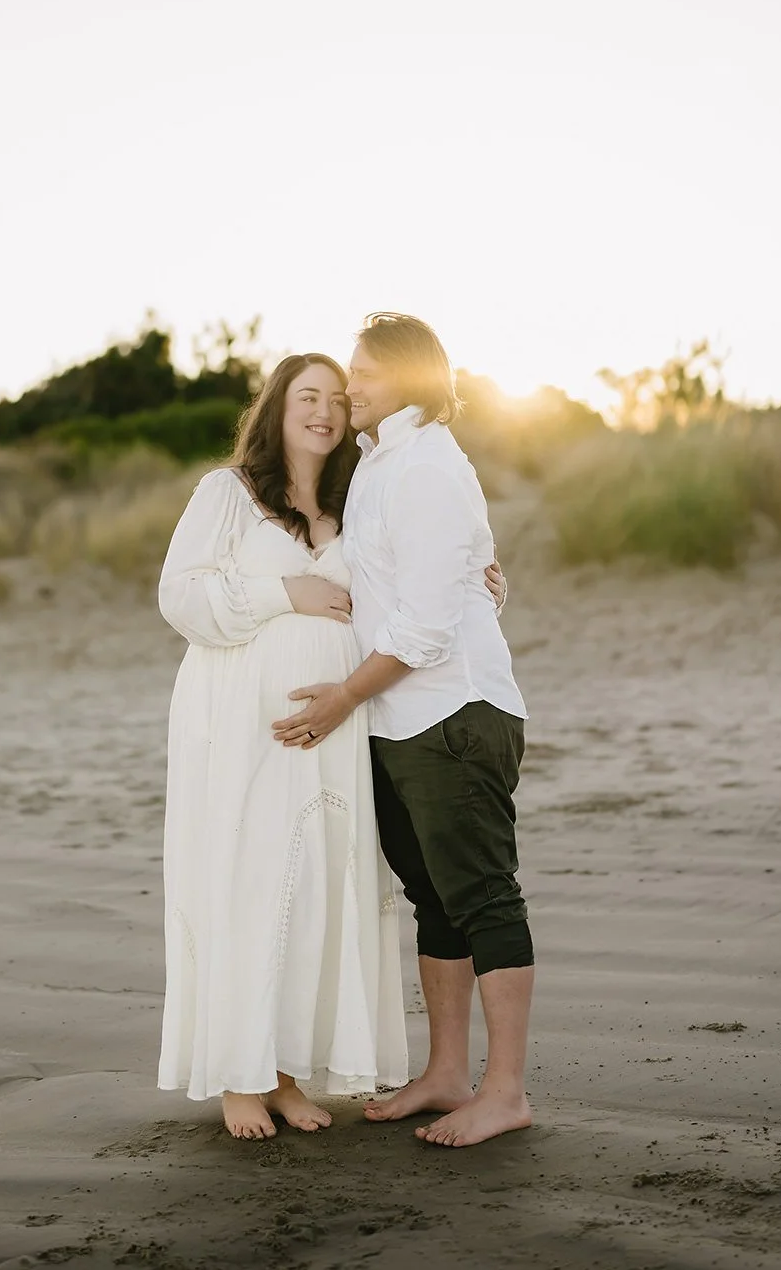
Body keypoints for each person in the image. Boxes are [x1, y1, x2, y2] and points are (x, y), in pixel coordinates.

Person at [271, 313, 533, 1149]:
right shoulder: (383, 460)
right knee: (437, 901)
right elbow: (460, 580)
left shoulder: (424, 465)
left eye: (367, 373)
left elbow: (421, 629)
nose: (352, 386)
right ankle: (448, 1073)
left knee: (484, 897)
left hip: (451, 712)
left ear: (413, 379)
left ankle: (505, 1092)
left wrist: (345, 695)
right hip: (403, 720)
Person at [156, 353, 409, 1139]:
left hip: (332, 734)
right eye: (308, 397)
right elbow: (180, 596)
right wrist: (283, 594)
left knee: (313, 889)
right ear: (276, 407)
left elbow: (395, 596)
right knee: (247, 881)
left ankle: (288, 1072)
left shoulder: (355, 502)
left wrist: (480, 580)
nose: (326, 412)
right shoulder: (226, 493)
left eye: (338, 399)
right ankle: (240, 1075)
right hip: (239, 728)